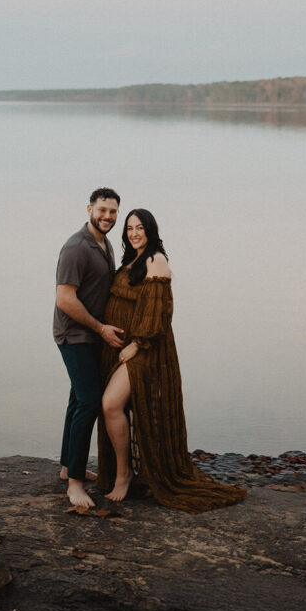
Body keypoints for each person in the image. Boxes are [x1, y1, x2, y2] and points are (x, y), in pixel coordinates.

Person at [98, 209, 246, 512]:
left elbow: (159, 311)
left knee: (111, 404)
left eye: (140, 227)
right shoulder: (131, 261)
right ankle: (126, 470)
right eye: (129, 228)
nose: (134, 233)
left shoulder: (156, 260)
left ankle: (125, 474)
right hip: (122, 346)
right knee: (116, 406)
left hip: (147, 350)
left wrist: (137, 344)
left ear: (151, 230)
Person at [53, 188, 124, 508]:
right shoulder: (76, 248)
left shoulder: (104, 243)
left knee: (77, 398)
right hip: (74, 335)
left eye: (113, 212)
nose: (107, 216)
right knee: (90, 402)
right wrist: (99, 328)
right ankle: (75, 485)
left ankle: (69, 466)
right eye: (102, 210)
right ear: (89, 209)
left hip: (92, 335)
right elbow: (64, 298)